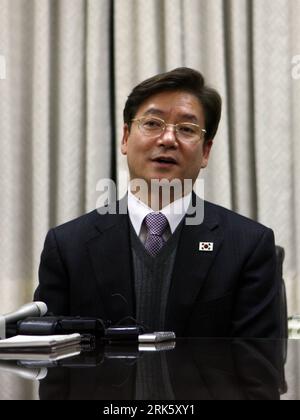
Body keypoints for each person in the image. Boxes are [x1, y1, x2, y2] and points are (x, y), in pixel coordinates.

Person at [34, 67, 280, 338]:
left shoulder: (248, 246)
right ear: (126, 138)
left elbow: (259, 371)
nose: (167, 139)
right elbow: (49, 362)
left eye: (186, 128)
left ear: (206, 151)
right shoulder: (68, 246)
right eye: (152, 123)